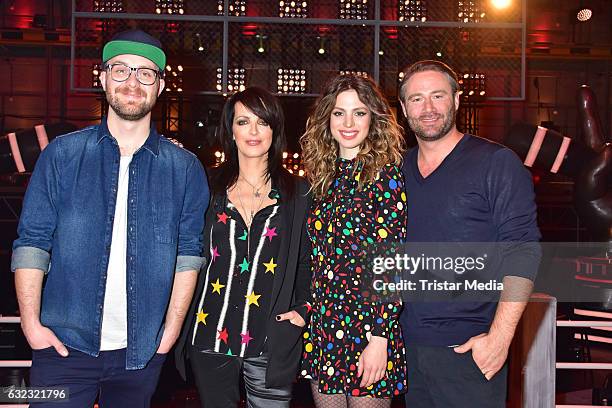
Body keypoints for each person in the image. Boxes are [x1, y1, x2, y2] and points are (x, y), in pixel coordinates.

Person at [11, 29, 209, 407]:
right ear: (102, 78)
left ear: (161, 85)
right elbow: (33, 241)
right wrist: (31, 324)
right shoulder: (61, 156)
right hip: (60, 346)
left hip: (141, 354)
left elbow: (188, 254)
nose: (132, 82)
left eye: (145, 73)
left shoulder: (184, 168)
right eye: (121, 70)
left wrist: (170, 332)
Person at [397, 60, 541, 407]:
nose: (428, 108)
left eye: (437, 96)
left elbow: (524, 250)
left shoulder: (496, 162)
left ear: (457, 100)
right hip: (407, 350)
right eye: (416, 99)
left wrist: (499, 338)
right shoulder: (396, 169)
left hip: (468, 350)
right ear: (403, 108)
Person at [174, 87, 312, 408]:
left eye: (262, 122)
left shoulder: (299, 194)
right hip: (210, 333)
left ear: (275, 130)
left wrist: (304, 309)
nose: (253, 131)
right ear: (230, 130)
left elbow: (308, 262)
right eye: (243, 121)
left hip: (271, 336)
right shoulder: (205, 187)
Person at [300, 74, 407, 408]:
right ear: (327, 118)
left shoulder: (385, 175)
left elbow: (390, 259)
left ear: (373, 118)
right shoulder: (321, 176)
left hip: (368, 327)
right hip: (325, 326)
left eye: (359, 112)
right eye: (338, 113)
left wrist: (379, 337)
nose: (348, 122)